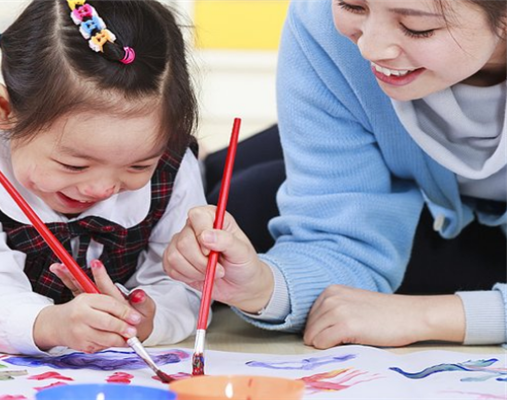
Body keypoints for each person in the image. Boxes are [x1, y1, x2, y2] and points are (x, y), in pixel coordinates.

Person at [164, 0, 507, 349]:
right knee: (224, 193)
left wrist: (434, 316)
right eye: (352, 6)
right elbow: (336, 240)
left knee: (251, 200)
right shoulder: (320, 19)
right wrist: (260, 287)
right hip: (399, 170)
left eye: (417, 27)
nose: (369, 48)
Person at [0, 0, 206, 355]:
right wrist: (51, 324)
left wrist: (150, 319)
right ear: (4, 110)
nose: (103, 188)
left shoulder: (173, 165)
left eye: (138, 166)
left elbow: (184, 285)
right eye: (74, 165)